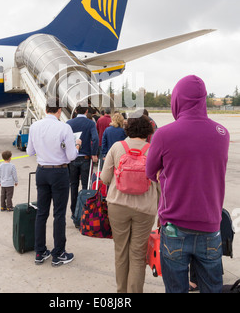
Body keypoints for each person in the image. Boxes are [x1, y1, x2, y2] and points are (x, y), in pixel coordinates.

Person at [146, 75, 230, 293]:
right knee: (212, 288)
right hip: (211, 226)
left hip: (175, 227)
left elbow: (149, 172)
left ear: (177, 100)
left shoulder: (164, 134)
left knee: (175, 289)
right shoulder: (222, 133)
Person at [101, 115, 160, 293]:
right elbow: (159, 184)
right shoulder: (153, 150)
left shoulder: (117, 147)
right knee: (137, 254)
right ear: (147, 132)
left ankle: (122, 293)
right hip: (144, 209)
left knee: (121, 251)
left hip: (118, 206)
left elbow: (104, 178)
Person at [27, 98, 81, 267]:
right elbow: (72, 156)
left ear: (46, 110)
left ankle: (40, 251)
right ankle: (58, 253)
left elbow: (30, 151)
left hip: (41, 170)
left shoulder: (35, 126)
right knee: (59, 214)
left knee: (42, 213)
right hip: (59, 171)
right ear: (59, 110)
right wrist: (77, 145)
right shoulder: (64, 127)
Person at [67, 104, 99, 218]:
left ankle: (73, 211)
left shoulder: (69, 123)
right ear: (86, 111)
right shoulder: (90, 123)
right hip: (85, 158)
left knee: (73, 185)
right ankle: (84, 210)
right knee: (85, 185)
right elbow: (95, 139)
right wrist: (94, 153)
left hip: (72, 158)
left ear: (75, 111)